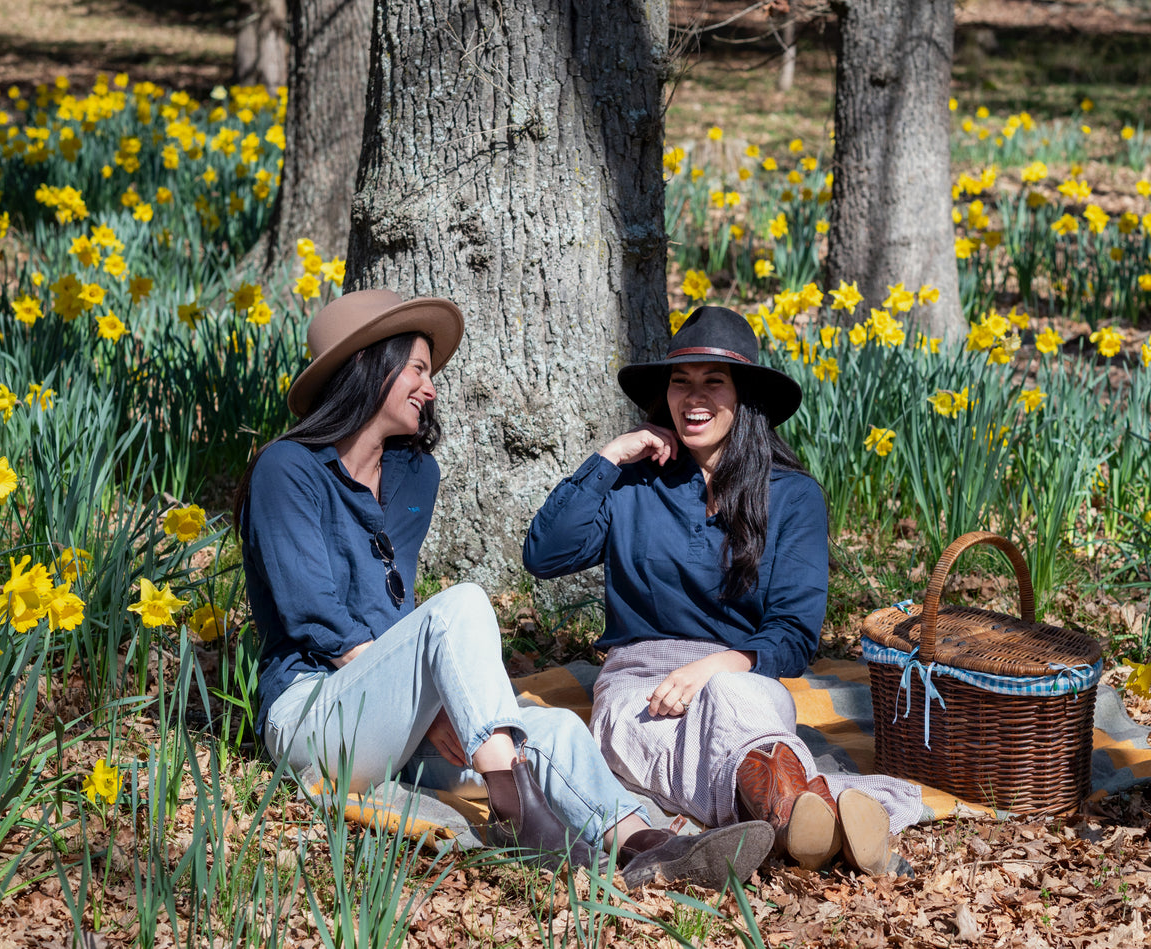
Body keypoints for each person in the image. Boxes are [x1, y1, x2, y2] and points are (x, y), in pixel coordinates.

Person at [235, 289, 773, 888]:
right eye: (417, 368)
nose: (431, 388)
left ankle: (646, 846)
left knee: (558, 729)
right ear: (369, 366)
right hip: (313, 715)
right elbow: (318, 621)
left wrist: (435, 704)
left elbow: (390, 614)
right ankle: (516, 807)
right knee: (462, 604)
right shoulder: (287, 470)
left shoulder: (414, 474)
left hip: (386, 717)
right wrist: (432, 701)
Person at [523, 306, 923, 875]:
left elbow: (792, 634)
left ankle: (789, 826)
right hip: (642, 689)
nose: (694, 397)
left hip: (742, 678)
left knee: (738, 701)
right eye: (680, 382)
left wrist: (716, 668)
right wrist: (611, 457)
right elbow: (545, 554)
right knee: (676, 740)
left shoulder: (792, 495)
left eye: (715, 382)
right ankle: (816, 819)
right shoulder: (633, 485)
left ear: (745, 399)